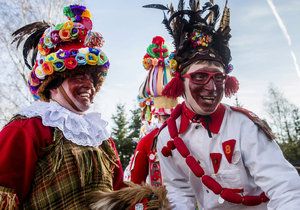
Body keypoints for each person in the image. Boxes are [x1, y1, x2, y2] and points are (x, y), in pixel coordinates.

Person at [144, 1, 300, 210]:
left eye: (219, 78)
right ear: (180, 81)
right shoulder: (166, 136)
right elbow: (178, 192)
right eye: (200, 76)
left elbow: (284, 187)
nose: (212, 87)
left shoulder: (244, 125)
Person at [0, 5, 124, 209]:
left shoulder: (102, 138)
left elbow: (117, 192)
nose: (89, 85)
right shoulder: (28, 128)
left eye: (92, 77)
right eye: (78, 75)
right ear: (53, 83)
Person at [129, 36, 178, 186]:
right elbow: (136, 186)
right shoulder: (147, 141)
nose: (166, 119)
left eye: (169, 115)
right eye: (163, 115)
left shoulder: (193, 133)